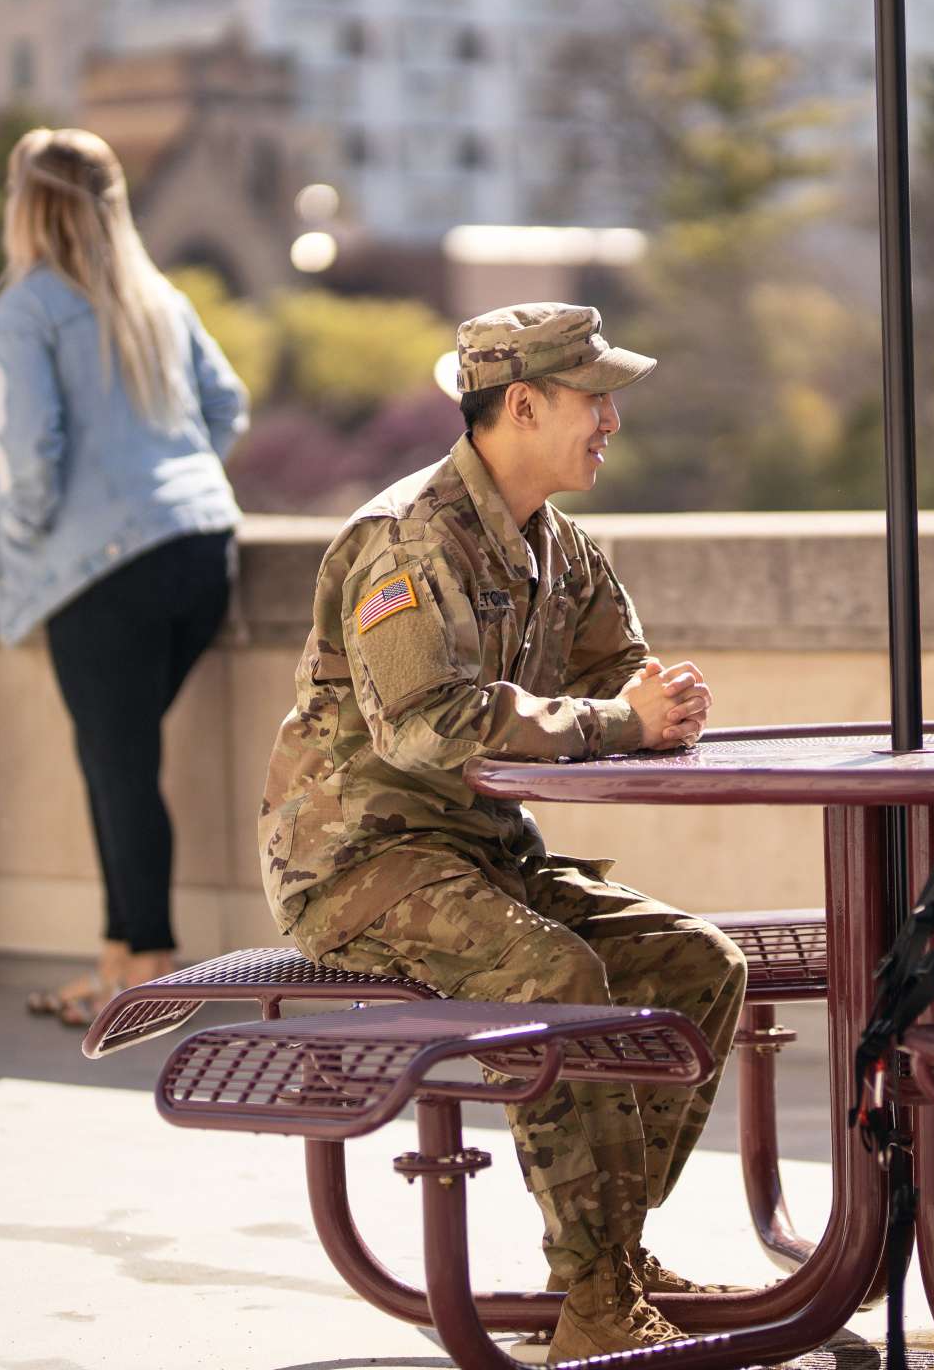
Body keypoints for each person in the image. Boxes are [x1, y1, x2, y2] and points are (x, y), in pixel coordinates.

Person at [257, 303, 742, 1362]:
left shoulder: (556, 544)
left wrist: (658, 698)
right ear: (522, 406)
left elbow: (618, 669)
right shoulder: (407, 540)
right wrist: (621, 721)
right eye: (593, 396)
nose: (613, 417)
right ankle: (598, 1298)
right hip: (361, 862)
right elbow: (430, 726)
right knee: (560, 976)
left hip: (481, 855)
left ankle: (604, 1261)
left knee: (700, 965)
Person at [0, 127, 249, 1025]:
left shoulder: (26, 307)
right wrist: (171, 487)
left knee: (121, 767)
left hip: (103, 571)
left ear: (27, 205)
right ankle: (113, 962)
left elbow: (26, 456)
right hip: (201, 550)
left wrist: (27, 538)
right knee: (113, 761)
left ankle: (149, 975)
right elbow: (228, 406)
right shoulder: (155, 294)